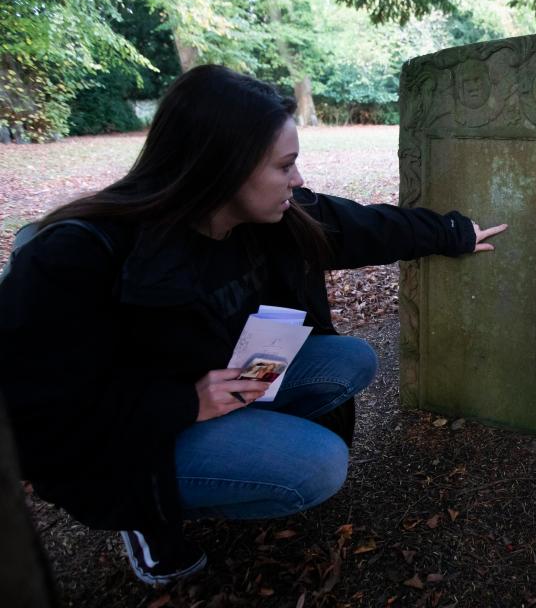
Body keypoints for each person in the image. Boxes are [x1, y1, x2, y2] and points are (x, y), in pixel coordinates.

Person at [0, 65, 507, 586]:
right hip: (127, 438)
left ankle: (234, 453)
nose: (299, 180)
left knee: (350, 360)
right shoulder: (79, 258)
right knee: (317, 466)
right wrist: (181, 405)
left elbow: (360, 227)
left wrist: (451, 232)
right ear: (222, 168)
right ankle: (147, 515)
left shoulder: (269, 218)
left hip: (215, 381)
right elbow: (30, 419)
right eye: (285, 165)